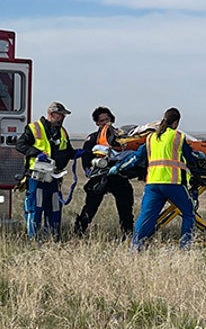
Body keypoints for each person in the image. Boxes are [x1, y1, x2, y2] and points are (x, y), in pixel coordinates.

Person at [117, 107, 199, 250]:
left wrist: (119, 167)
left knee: (146, 216)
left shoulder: (150, 138)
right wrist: (199, 159)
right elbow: (191, 158)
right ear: (176, 122)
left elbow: (137, 158)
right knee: (188, 212)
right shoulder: (177, 137)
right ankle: (185, 246)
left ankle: (135, 246)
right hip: (172, 183)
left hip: (153, 184)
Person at [15, 101, 76, 239]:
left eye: (64, 116)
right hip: (37, 177)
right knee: (35, 208)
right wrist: (36, 153)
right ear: (52, 114)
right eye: (61, 115)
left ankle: (52, 238)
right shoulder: (34, 128)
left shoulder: (62, 132)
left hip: (54, 178)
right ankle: (34, 239)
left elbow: (68, 151)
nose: (63, 118)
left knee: (54, 209)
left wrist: (77, 153)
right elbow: (20, 145)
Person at [72, 106, 134, 237]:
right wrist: (91, 171)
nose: (106, 123)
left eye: (108, 119)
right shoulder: (93, 138)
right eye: (102, 121)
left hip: (118, 176)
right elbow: (86, 159)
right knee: (90, 208)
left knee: (126, 209)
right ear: (97, 123)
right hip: (99, 178)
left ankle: (128, 236)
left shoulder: (121, 138)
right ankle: (77, 234)